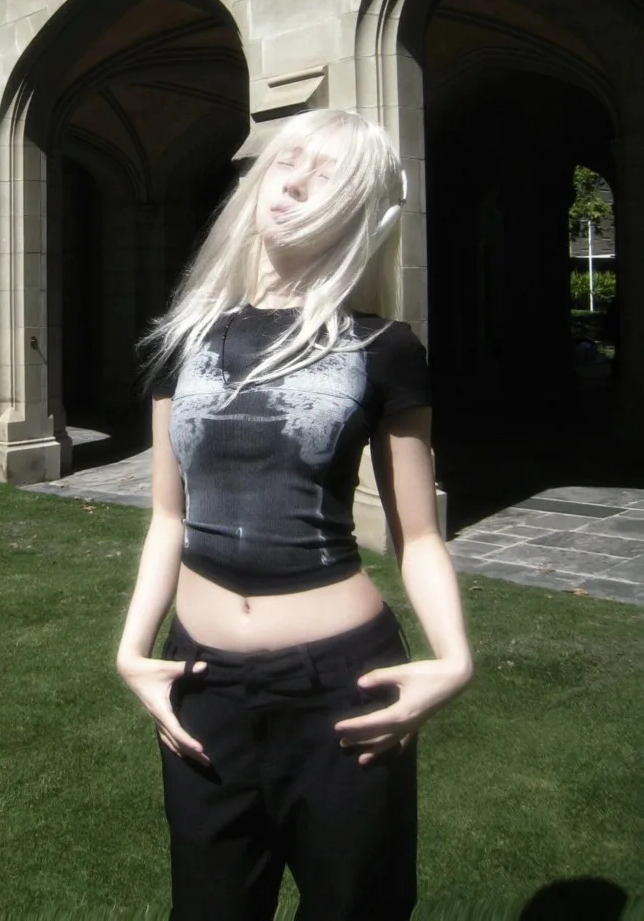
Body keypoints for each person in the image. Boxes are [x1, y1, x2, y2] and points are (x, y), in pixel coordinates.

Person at [116, 108, 473, 921]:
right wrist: (133, 653)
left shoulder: (384, 348)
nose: (298, 182)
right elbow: (168, 519)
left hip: (344, 690)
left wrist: (454, 657)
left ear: (354, 212)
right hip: (202, 685)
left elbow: (418, 533)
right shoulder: (185, 342)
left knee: (355, 906)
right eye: (290, 160)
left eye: (329, 175)